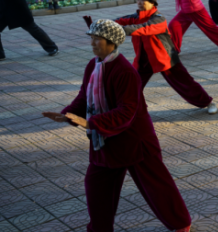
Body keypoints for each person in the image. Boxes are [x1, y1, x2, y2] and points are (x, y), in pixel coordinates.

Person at [42, 19, 192, 232]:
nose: (93, 43)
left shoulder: (126, 72)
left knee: (156, 185)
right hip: (105, 140)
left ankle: (180, 223)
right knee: (96, 186)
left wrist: (89, 122)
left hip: (135, 141)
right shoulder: (93, 65)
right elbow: (84, 97)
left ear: (112, 42)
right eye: (91, 38)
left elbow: (126, 112)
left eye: (98, 39)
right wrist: (67, 114)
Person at [83, 0, 218, 115]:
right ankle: (127, 111)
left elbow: (143, 28)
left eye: (144, 0)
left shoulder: (159, 18)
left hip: (165, 58)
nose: (140, 2)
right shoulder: (135, 16)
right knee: (132, 87)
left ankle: (208, 102)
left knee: (185, 83)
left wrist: (118, 30)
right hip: (143, 61)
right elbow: (117, 22)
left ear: (152, 3)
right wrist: (100, 25)